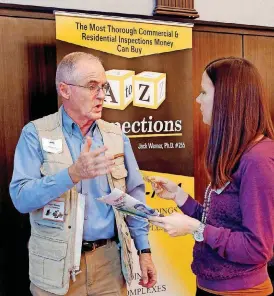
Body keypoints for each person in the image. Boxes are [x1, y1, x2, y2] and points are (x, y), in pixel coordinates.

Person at [9, 52, 157, 296]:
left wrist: (144, 251)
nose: (101, 95)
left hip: (110, 265)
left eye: (104, 87)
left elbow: (134, 197)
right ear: (65, 90)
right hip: (56, 269)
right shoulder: (36, 133)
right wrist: (72, 174)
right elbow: (21, 198)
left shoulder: (115, 136)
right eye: (92, 87)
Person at [149, 57, 274, 296]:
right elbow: (217, 223)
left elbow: (257, 249)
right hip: (209, 286)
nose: (197, 100)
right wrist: (179, 196)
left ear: (227, 99)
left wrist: (195, 228)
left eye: (203, 92)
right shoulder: (235, 152)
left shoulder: (258, 160)